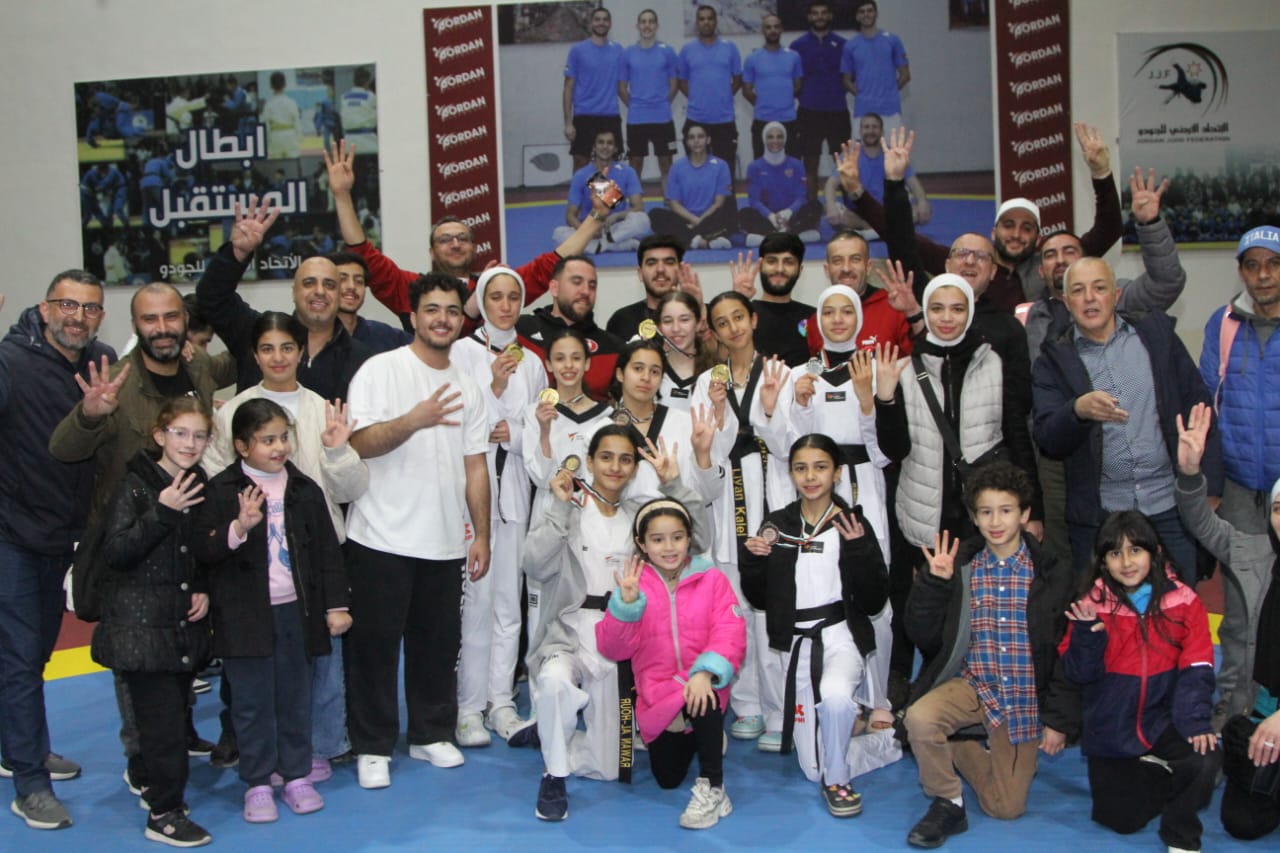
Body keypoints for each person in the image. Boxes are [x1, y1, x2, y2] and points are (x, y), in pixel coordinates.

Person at [50, 281, 235, 786]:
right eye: (150, 319)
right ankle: (141, 760)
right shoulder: (117, 382)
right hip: (131, 545)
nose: (162, 328)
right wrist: (89, 415)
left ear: (185, 321)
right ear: (135, 325)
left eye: (170, 317)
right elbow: (63, 449)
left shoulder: (199, 368)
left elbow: (243, 350)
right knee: (137, 659)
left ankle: (177, 735)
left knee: (182, 645)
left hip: (186, 538)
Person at [201, 312, 368, 781]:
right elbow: (215, 483)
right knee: (253, 670)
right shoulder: (234, 412)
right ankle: (257, 754)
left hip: (317, 554)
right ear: (254, 356)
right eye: (267, 348)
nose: (278, 357)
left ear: (301, 351)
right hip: (250, 559)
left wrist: (337, 450)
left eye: (287, 347)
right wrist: (239, 527)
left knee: (318, 664)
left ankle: (321, 747)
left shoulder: (322, 409)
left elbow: (352, 488)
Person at [343, 273, 490, 789]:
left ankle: (430, 733)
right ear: (413, 316)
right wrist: (414, 419)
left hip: (445, 540)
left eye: (451, 310)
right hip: (379, 536)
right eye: (432, 309)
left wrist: (482, 534)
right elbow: (359, 444)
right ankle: (372, 745)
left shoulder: (469, 386)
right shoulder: (380, 370)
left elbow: (476, 465)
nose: (442, 319)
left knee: (437, 645)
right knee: (374, 649)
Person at [525, 426, 711, 821]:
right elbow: (534, 565)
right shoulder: (567, 505)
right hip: (569, 632)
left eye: (625, 459)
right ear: (590, 461)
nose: (615, 466)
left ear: (634, 468)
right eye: (606, 457)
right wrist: (558, 509)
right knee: (555, 682)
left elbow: (699, 542)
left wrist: (674, 485)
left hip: (618, 637)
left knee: (609, 768)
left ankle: (550, 729)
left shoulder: (638, 517)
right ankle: (553, 774)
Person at [903, 462, 1077, 849]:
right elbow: (922, 634)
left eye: (1006, 510)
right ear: (974, 517)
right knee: (920, 718)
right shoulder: (962, 566)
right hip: (974, 686)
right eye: (985, 512)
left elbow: (1068, 652)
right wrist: (934, 583)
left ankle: (958, 747)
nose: (995, 522)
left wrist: (1058, 720)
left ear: (1025, 514)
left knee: (1006, 807)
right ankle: (947, 800)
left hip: (1023, 700)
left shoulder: (1053, 573)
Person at [193, 398, 351, 823]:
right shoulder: (221, 490)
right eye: (267, 440)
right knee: (251, 702)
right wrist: (238, 528)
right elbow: (203, 549)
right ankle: (259, 782)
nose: (279, 447)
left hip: (296, 614)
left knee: (295, 698)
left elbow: (327, 554)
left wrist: (336, 605)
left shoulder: (303, 489)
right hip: (243, 618)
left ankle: (296, 774)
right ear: (242, 446)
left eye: (284, 438)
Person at [0, 271, 114, 831]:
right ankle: (30, 782)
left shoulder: (103, 361)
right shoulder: (9, 361)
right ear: (45, 309)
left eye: (89, 308)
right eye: (67, 305)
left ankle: (15, 746)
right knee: (21, 657)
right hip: (12, 534)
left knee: (36, 652)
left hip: (67, 535)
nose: (78, 316)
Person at [1032, 256, 1221, 581]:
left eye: (1099, 288)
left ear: (1116, 295)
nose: (1089, 298)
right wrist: (1077, 411)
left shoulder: (1156, 338)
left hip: (1170, 504)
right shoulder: (1053, 359)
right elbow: (1048, 437)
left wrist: (1210, 486)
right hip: (1101, 514)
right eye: (1078, 290)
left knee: (1181, 602)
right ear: (1065, 301)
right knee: (1103, 609)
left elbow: (1199, 407)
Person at [765, 288, 896, 727]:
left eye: (846, 312)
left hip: (864, 487)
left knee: (873, 593)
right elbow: (788, 448)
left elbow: (885, 453)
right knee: (824, 588)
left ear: (859, 318)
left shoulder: (875, 369)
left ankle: (878, 698)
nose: (838, 320)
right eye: (829, 312)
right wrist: (801, 405)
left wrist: (866, 401)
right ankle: (835, 696)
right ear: (817, 320)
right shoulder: (800, 374)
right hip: (816, 489)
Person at [740, 434, 889, 818]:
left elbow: (874, 601)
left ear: (837, 473)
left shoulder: (852, 523)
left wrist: (859, 550)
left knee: (836, 698)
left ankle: (838, 779)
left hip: (841, 635)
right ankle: (884, 742)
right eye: (801, 468)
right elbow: (759, 599)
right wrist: (753, 561)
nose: (810, 477)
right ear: (790, 473)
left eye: (820, 467)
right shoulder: (778, 525)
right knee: (811, 768)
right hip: (796, 643)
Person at [93, 397, 215, 847]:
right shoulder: (136, 485)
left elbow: (196, 550)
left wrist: (201, 586)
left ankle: (149, 779)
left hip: (177, 625)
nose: (190, 443)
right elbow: (117, 552)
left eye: (199, 435)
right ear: (160, 436)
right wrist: (162, 511)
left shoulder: (198, 483)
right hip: (140, 628)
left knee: (171, 715)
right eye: (180, 433)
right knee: (163, 725)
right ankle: (164, 812)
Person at [835, 123, 1123, 312]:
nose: (1016, 234)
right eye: (1008, 226)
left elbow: (1109, 230)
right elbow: (900, 237)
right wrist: (858, 193)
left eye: (1026, 228)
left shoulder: (1052, 266)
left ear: (1038, 238)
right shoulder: (965, 263)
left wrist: (1101, 173)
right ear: (994, 232)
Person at [1059, 510, 1218, 852]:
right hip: (1112, 724)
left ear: (1155, 552)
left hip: (1164, 718)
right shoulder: (1090, 605)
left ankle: (1180, 836)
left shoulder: (1184, 600)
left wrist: (1194, 721)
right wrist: (1087, 637)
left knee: (1205, 756)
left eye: (1135, 550)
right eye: (1115, 553)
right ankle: (1157, 770)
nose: (1127, 562)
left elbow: (1198, 664)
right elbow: (1077, 673)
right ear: (1103, 561)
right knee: (1120, 820)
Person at [325, 140, 608, 329]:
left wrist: (596, 217)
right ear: (431, 252)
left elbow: (552, 264)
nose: (455, 244)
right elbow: (363, 254)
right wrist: (341, 196)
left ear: (474, 248)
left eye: (463, 238)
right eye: (445, 239)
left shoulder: (496, 287)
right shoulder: (411, 287)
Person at [596, 497, 746, 829]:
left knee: (703, 695)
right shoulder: (634, 585)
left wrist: (705, 671)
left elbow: (730, 630)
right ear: (642, 543)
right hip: (659, 695)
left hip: (701, 683)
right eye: (658, 539)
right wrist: (625, 608)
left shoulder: (711, 579)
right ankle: (704, 736)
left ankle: (713, 785)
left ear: (689, 537)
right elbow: (613, 649)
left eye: (677, 537)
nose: (668, 547)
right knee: (667, 778)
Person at [1175, 405, 1280, 840]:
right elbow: (1201, 523)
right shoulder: (1254, 552)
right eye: (1279, 508)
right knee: (1242, 822)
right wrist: (1190, 474)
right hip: (1259, 714)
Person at [690, 292, 790, 751]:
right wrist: (719, 411)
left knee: (772, 612)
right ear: (712, 332)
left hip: (774, 493)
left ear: (753, 319)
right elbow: (706, 451)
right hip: (729, 504)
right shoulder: (708, 381)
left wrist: (767, 409)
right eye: (722, 322)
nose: (733, 328)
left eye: (738, 318)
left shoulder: (781, 373)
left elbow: (788, 444)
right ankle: (747, 705)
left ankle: (780, 710)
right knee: (736, 612)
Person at [874, 274, 1036, 552]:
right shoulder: (904, 370)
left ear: (970, 312)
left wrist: (1035, 510)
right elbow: (895, 451)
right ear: (926, 312)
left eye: (957, 309)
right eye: (937, 308)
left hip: (985, 516)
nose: (947, 318)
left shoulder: (994, 363)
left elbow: (1018, 437)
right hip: (924, 516)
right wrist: (885, 399)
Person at [452, 268, 546, 746]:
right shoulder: (461, 352)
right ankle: (469, 707)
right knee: (478, 604)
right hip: (473, 492)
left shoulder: (533, 361)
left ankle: (501, 702)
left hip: (515, 492)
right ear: (482, 302)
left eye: (513, 297)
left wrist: (518, 432)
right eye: (496, 297)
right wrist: (491, 388)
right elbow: (458, 419)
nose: (505, 306)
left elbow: (542, 424)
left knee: (510, 602)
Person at [1199, 225, 1280, 727]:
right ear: (1241, 271)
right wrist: (1210, 485)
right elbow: (1206, 405)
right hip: (1241, 489)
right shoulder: (1224, 324)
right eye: (1253, 265)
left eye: (1273, 264)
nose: (1263, 275)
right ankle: (1234, 713)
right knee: (1241, 609)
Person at [196, 198, 372, 401]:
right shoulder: (257, 331)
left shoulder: (361, 360)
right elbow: (212, 297)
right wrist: (237, 254)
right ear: (294, 292)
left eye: (329, 285)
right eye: (309, 283)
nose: (320, 291)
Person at [515, 255, 624, 400]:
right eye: (577, 282)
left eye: (592, 285)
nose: (586, 291)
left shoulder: (613, 347)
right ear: (554, 288)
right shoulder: (519, 330)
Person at [824, 113, 929, 233]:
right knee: (830, 209)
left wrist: (922, 202)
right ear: (860, 131)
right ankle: (877, 227)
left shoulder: (894, 155)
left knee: (919, 210)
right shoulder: (849, 155)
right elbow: (830, 184)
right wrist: (831, 205)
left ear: (882, 132)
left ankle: (872, 228)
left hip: (889, 210)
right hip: (859, 214)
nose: (871, 131)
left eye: (875, 127)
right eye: (867, 127)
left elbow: (914, 183)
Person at [551, 128, 650, 254]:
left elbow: (639, 207)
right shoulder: (581, 175)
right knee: (558, 234)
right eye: (601, 142)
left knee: (643, 220)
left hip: (617, 228)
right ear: (594, 147)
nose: (605, 147)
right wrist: (586, 231)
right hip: (590, 228)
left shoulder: (628, 172)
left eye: (609, 143)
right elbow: (570, 216)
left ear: (615, 148)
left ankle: (600, 244)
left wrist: (616, 216)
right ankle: (617, 245)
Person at [790, 1, 850, 202]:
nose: (820, 17)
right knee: (810, 164)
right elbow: (794, 80)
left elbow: (849, 77)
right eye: (815, 13)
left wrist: (834, 93)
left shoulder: (843, 45)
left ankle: (850, 207)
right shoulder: (797, 46)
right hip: (809, 111)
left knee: (844, 164)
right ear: (809, 17)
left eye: (824, 13)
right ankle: (812, 208)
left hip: (837, 111)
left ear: (830, 16)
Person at [731, 233, 816, 367]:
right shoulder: (744, 316)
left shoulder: (814, 318)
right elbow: (720, 352)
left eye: (788, 262)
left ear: (800, 270)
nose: (779, 269)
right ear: (760, 266)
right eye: (771, 261)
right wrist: (737, 301)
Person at [677, 6, 742, 179]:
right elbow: (682, 82)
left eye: (710, 18)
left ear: (716, 21)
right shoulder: (687, 50)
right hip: (696, 119)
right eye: (702, 19)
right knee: (695, 171)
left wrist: (723, 96)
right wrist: (697, 98)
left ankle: (726, 199)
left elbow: (737, 80)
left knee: (726, 172)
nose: (706, 22)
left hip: (724, 120)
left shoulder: (730, 48)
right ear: (697, 23)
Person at [619, 9, 679, 195]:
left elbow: (674, 85)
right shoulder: (628, 53)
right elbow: (621, 88)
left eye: (651, 21)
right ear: (637, 26)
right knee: (635, 164)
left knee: (666, 163)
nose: (647, 25)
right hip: (637, 119)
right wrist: (636, 106)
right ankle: (635, 206)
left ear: (657, 26)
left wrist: (661, 104)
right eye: (643, 22)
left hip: (663, 118)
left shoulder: (668, 52)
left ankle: (669, 205)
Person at [648, 123, 736, 250]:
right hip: (685, 219)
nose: (696, 141)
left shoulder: (721, 166)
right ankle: (702, 240)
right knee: (655, 215)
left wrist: (700, 221)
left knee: (730, 214)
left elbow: (719, 203)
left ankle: (687, 237)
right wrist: (695, 220)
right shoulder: (677, 167)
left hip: (711, 218)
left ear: (708, 140)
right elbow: (674, 204)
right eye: (691, 137)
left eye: (700, 136)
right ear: (687, 142)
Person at [740, 123, 821, 247]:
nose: (775, 141)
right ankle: (793, 236)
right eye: (770, 137)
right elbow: (754, 201)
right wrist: (771, 216)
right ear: (764, 140)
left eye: (779, 137)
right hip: (767, 218)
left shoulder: (797, 165)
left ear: (785, 139)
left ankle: (770, 237)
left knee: (815, 206)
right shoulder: (754, 167)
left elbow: (801, 197)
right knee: (744, 214)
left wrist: (787, 213)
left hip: (792, 217)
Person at [563, 7, 623, 174]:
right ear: (591, 23)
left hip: (610, 116)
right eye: (597, 19)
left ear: (610, 24)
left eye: (605, 19)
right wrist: (568, 122)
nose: (601, 23)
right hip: (584, 116)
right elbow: (568, 87)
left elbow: (623, 85)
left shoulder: (618, 50)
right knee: (581, 163)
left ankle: (607, 194)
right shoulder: (577, 51)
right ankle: (580, 193)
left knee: (610, 166)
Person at [742, 15, 802, 163]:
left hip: (789, 120)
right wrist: (763, 104)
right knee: (761, 165)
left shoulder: (794, 56)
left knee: (792, 164)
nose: (773, 30)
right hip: (762, 120)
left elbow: (798, 86)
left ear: (781, 29)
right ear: (763, 31)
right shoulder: (752, 58)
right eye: (768, 27)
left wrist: (783, 101)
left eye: (776, 27)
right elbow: (747, 90)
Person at [604, 234, 687, 341]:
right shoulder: (621, 320)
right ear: (640, 273)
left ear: (681, 270)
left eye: (669, 262)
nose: (660, 269)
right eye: (651, 263)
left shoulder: (701, 315)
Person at [840, 1, 910, 128]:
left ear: (876, 14)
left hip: (890, 110)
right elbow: (846, 80)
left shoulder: (892, 40)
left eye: (870, 10)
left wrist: (890, 93)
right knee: (861, 142)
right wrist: (862, 96)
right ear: (857, 16)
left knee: (893, 142)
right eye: (862, 11)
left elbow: (905, 75)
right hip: (863, 111)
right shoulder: (850, 45)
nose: (866, 14)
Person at [328, 251, 411, 355]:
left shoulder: (387, 336)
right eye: (342, 279)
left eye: (359, 281)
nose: (352, 286)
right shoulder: (314, 337)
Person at [654, 290, 715, 409]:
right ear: (659, 327)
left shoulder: (715, 371)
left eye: (684, 320)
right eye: (667, 321)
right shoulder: (651, 372)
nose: (676, 328)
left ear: (698, 324)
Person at [260, 72, 302, 160]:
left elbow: (265, 124)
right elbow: (297, 122)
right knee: (292, 163)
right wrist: (298, 138)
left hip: (275, 136)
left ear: (271, 86)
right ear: (285, 84)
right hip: (290, 136)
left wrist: (267, 141)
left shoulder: (269, 104)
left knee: (276, 163)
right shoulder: (291, 103)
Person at [339, 67, 377, 153]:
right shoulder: (371, 97)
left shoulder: (344, 97)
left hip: (348, 141)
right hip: (368, 141)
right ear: (367, 81)